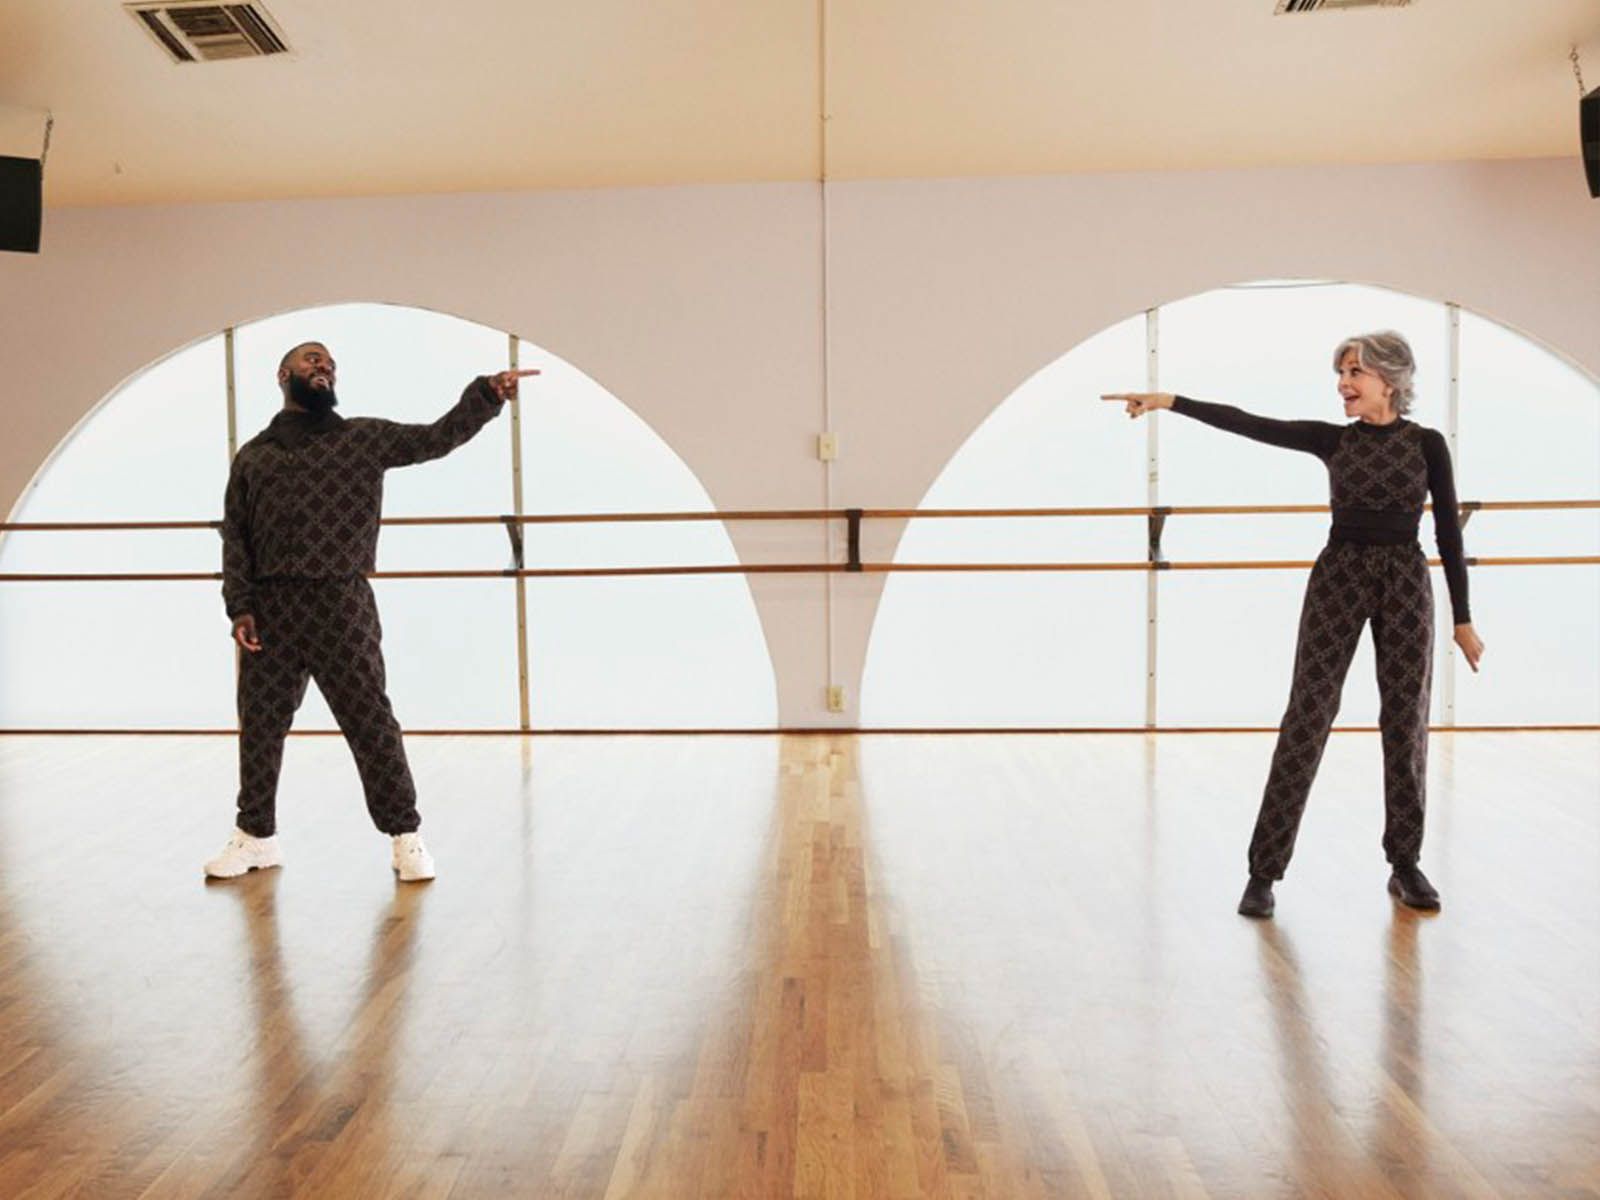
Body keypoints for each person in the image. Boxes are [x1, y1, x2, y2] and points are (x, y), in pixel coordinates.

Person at [1104, 331, 1484, 918]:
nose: (1343, 384)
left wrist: (1462, 618)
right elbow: (1249, 423)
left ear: (1389, 379)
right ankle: (1263, 872)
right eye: (1341, 373)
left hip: (1407, 583)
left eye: (1354, 372)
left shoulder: (1427, 444)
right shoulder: (1332, 440)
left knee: (1406, 721)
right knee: (1307, 716)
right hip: (1339, 577)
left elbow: (1448, 535)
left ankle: (1405, 864)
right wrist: (1170, 402)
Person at [204, 341, 537, 882]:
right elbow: (235, 536)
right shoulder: (254, 456)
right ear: (284, 374)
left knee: (370, 722)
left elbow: (435, 438)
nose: (324, 366)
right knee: (261, 726)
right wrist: (239, 607)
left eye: (330, 363)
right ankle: (256, 835)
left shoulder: (362, 438)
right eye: (312, 359)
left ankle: (406, 836)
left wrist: (486, 395)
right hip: (271, 608)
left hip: (341, 602)